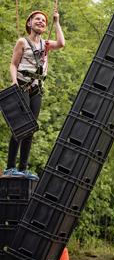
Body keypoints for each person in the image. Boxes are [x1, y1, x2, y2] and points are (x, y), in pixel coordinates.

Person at [2, 9, 65, 180]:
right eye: (37, 19)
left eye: (44, 21)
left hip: (37, 89)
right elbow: (13, 64)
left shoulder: (45, 45)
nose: (41, 22)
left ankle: (22, 169)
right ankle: (10, 167)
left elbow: (61, 43)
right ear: (29, 23)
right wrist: (14, 82)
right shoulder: (22, 42)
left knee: (30, 129)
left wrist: (56, 22)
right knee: (21, 125)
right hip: (22, 85)